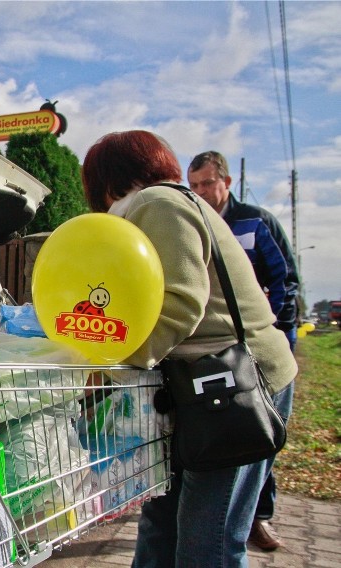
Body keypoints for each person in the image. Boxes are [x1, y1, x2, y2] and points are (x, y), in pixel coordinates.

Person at [81, 130, 297, 567]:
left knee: (208, 537)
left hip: (237, 385)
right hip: (202, 386)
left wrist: (114, 367)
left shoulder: (158, 205)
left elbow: (181, 303)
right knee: (161, 516)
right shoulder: (158, 208)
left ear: (106, 182)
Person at [187, 150, 299, 551]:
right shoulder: (193, 220)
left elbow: (285, 278)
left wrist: (283, 331)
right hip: (220, 353)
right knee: (232, 435)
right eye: (194, 185)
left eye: (207, 184)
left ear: (227, 182)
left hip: (260, 345)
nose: (200, 192)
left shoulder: (254, 221)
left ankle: (259, 518)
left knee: (259, 431)